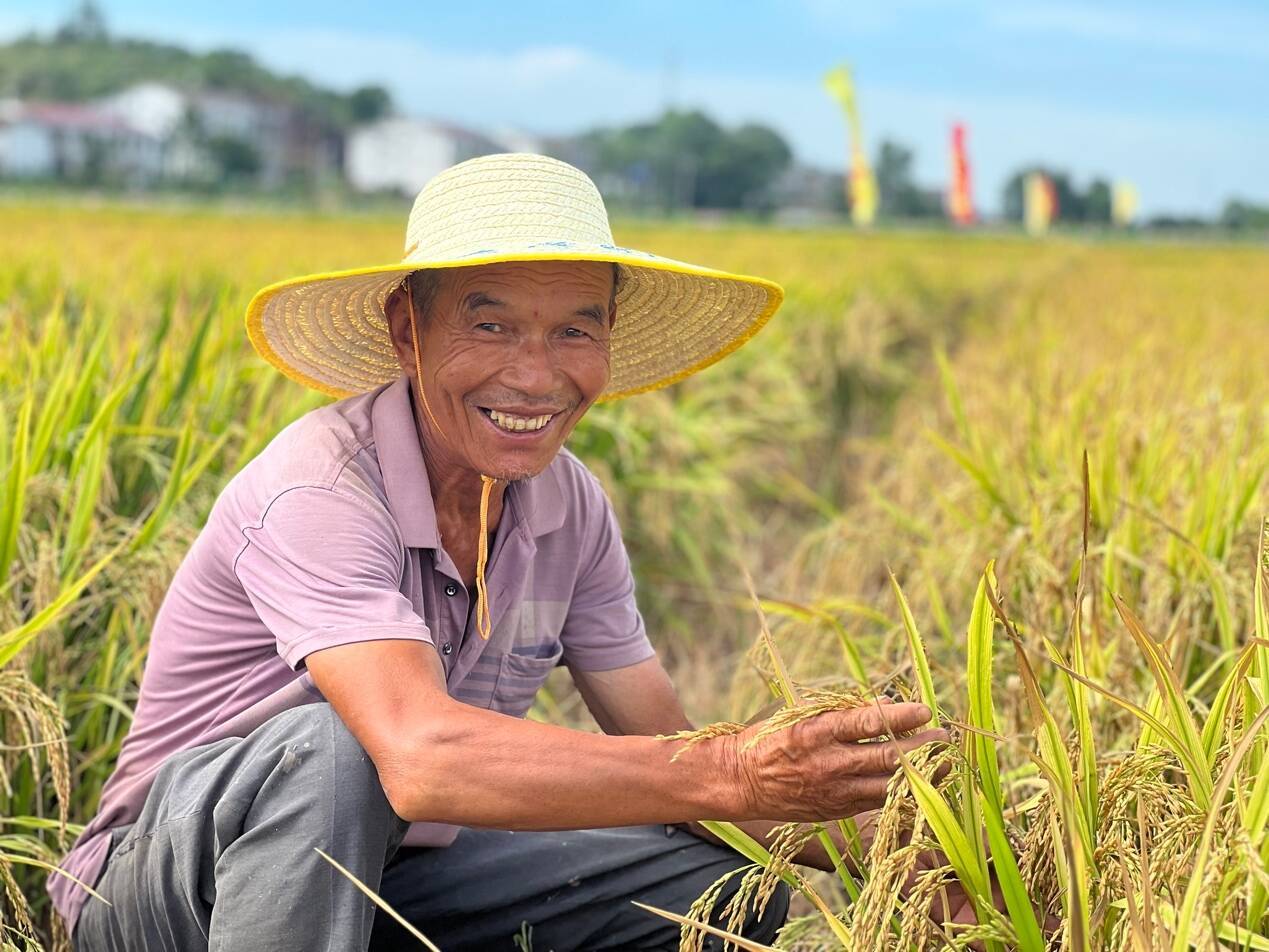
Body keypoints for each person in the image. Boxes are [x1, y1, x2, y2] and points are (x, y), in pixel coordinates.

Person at [50, 153, 947, 951]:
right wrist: (738, 770)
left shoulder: (570, 507)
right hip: (171, 896)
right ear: (407, 330)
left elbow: (666, 751)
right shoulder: (320, 489)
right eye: (489, 326)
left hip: (394, 877)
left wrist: (916, 860)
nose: (533, 374)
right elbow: (418, 754)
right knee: (336, 748)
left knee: (717, 888)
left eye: (574, 330)